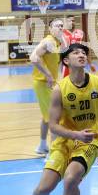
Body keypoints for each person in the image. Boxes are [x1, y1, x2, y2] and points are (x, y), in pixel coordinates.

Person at [11, 43, 98, 195]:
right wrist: (75, 134)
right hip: (65, 141)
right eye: (76, 52)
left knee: (71, 179)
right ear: (66, 60)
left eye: (84, 53)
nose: (81, 55)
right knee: (43, 189)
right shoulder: (59, 89)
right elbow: (53, 126)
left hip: (89, 142)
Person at [30, 19, 67, 155]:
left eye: (62, 26)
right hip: (43, 83)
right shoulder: (48, 41)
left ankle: (41, 146)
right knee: (54, 117)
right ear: (50, 28)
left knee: (47, 116)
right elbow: (33, 58)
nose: (60, 28)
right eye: (57, 26)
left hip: (47, 83)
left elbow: (65, 51)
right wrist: (48, 75)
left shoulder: (56, 42)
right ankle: (53, 153)